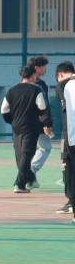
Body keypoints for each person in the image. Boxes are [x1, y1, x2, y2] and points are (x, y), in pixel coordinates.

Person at [1, 65, 49, 194]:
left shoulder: (11, 90)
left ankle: (30, 179)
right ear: (33, 75)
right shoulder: (36, 90)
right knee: (27, 155)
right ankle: (19, 184)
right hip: (31, 127)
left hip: (16, 127)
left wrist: (12, 121)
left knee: (20, 155)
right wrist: (46, 123)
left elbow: (4, 110)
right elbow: (42, 108)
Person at [28, 55, 53, 186]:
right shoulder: (39, 85)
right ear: (37, 68)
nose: (46, 69)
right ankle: (30, 171)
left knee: (30, 151)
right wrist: (47, 123)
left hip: (24, 123)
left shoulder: (23, 83)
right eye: (44, 66)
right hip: (39, 123)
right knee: (45, 147)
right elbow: (44, 106)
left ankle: (30, 179)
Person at [56, 61, 74, 216]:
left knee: (68, 167)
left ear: (60, 74)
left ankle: (71, 202)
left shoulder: (63, 85)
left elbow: (66, 110)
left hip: (70, 135)